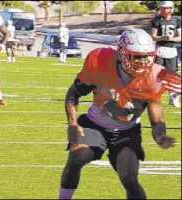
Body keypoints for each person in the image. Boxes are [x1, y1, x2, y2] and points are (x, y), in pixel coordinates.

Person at [58, 28, 179, 200]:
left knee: (130, 179)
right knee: (77, 157)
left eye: (147, 56)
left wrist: (160, 135)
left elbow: (156, 113)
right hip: (96, 124)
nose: (143, 61)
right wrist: (72, 123)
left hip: (127, 131)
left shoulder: (155, 75)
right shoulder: (99, 60)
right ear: (122, 53)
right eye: (137, 56)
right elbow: (73, 94)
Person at [151, 1, 181, 108]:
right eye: (163, 8)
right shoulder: (156, 20)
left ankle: (173, 98)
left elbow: (180, 37)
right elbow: (153, 36)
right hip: (159, 49)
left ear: (172, 8)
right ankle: (154, 96)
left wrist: (170, 38)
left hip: (171, 50)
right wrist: (163, 37)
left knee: (171, 76)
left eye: (167, 8)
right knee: (157, 75)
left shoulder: (177, 20)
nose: (165, 10)